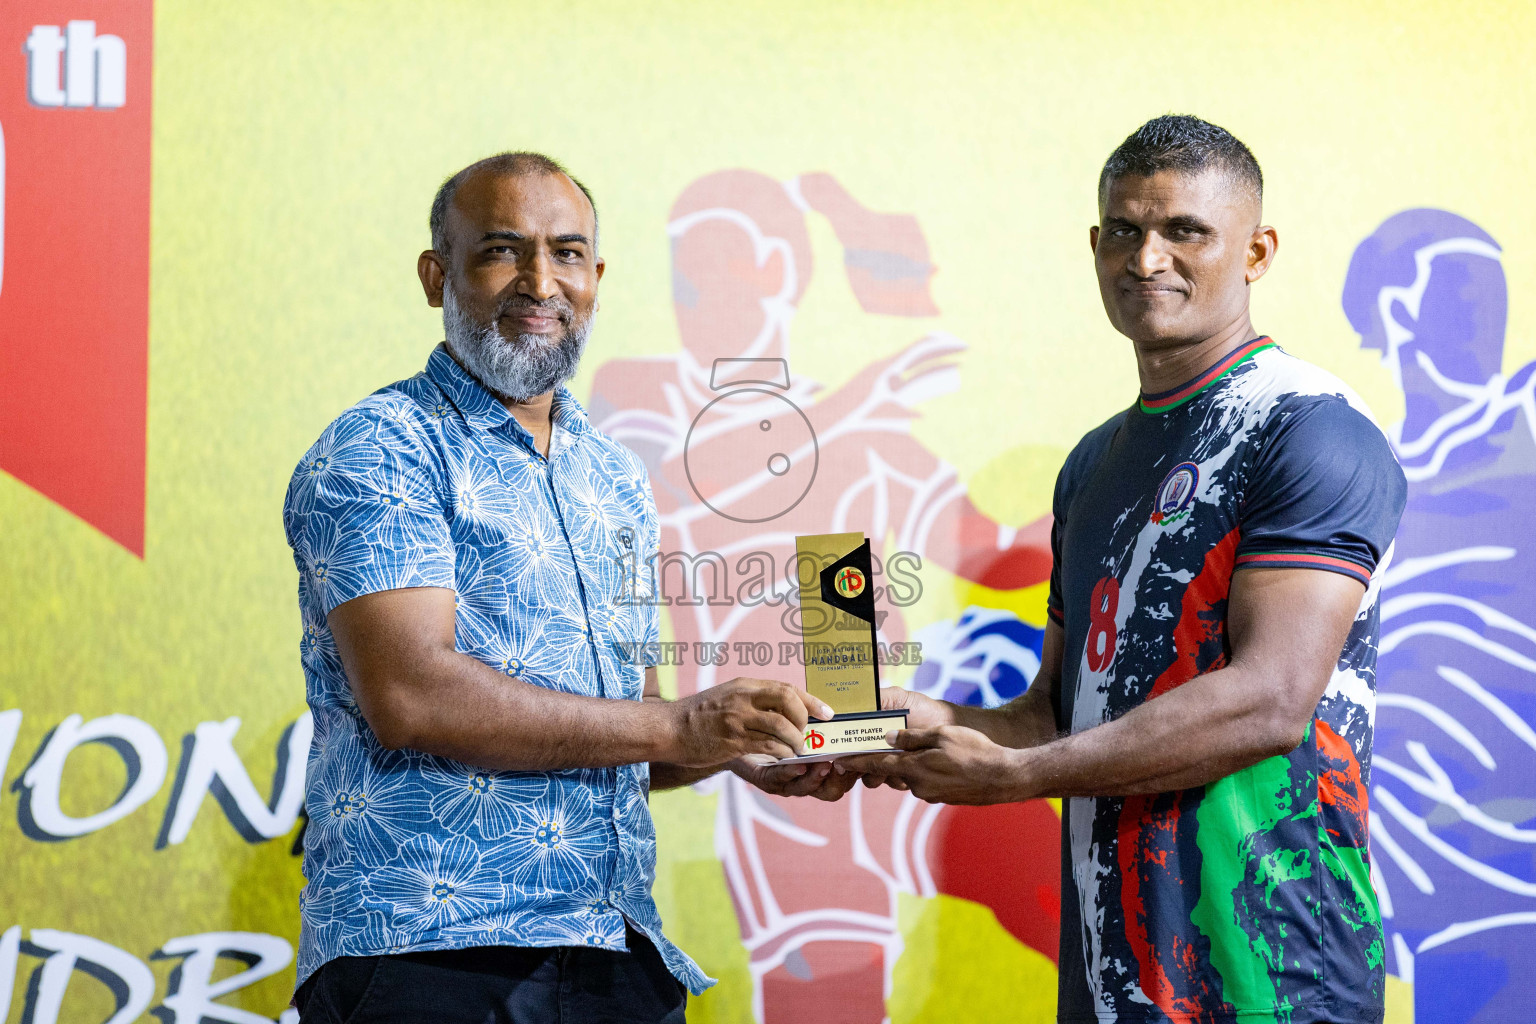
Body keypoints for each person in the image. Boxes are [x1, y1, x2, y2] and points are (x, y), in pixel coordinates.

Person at [844, 115, 1408, 1024]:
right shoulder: (1092, 463)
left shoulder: (1310, 425)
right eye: (1125, 231)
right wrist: (911, 725)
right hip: (1115, 978)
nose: (1147, 258)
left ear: (1257, 251)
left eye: (1185, 230)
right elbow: (1055, 715)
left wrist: (1022, 779)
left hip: (1278, 974)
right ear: (1096, 244)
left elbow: (1270, 700)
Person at [281, 151, 834, 1024]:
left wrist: (743, 744)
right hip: (434, 957)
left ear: (598, 279)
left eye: (568, 254)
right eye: (503, 250)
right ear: (437, 275)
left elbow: (632, 730)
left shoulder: (611, 477)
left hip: (616, 953)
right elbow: (412, 695)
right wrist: (687, 722)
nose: (542, 282)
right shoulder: (381, 447)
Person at [586, 168, 1059, 1021]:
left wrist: (1103, 526)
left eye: (708, 264)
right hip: (777, 791)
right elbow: (682, 484)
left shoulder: (860, 439)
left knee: (1074, 906)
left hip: (877, 750)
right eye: (676, 270)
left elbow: (993, 549)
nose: (686, 291)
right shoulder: (641, 397)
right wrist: (851, 413)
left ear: (777, 272)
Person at [1342, 209, 1536, 1022]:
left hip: (1515, 864)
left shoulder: (1522, 424)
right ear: (1395, 312)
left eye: (1493, 291)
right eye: (1462, 292)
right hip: (1423, 878)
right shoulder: (1363, 472)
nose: (1485, 317)